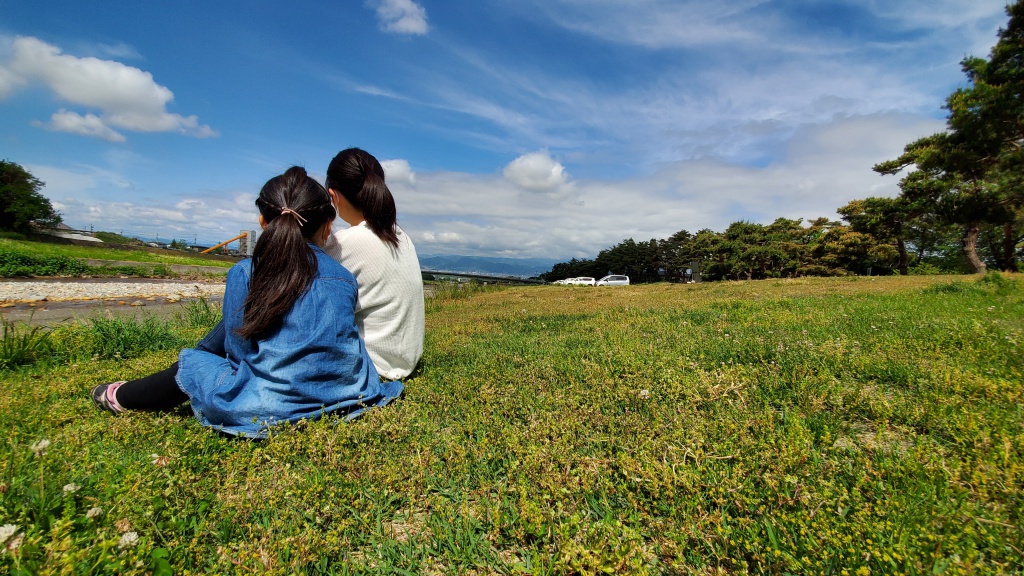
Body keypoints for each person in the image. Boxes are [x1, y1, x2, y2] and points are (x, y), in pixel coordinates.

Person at [90, 167, 403, 437]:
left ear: (263, 223)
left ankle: (121, 396)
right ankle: (125, 392)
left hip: (272, 407)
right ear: (327, 226)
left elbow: (238, 352)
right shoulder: (344, 277)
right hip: (350, 395)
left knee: (194, 365)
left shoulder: (245, 272)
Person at [324, 148, 424, 380]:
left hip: (370, 367)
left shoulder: (346, 242)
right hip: (405, 360)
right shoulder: (401, 236)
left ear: (333, 196)